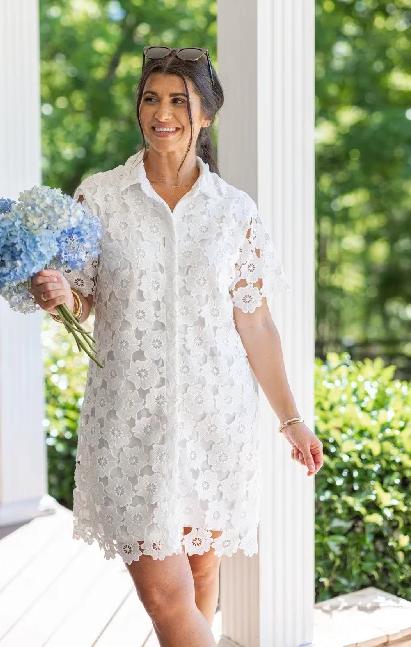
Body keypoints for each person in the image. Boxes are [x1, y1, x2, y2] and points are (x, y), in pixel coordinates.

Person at [30, 46, 324, 647]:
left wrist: (291, 419)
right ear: (139, 110)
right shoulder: (100, 197)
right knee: (166, 599)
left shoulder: (234, 213)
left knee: (201, 569)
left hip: (217, 423)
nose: (162, 112)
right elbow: (83, 300)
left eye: (178, 101)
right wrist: (60, 293)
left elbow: (257, 324)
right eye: (151, 98)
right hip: (129, 422)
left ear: (206, 115)